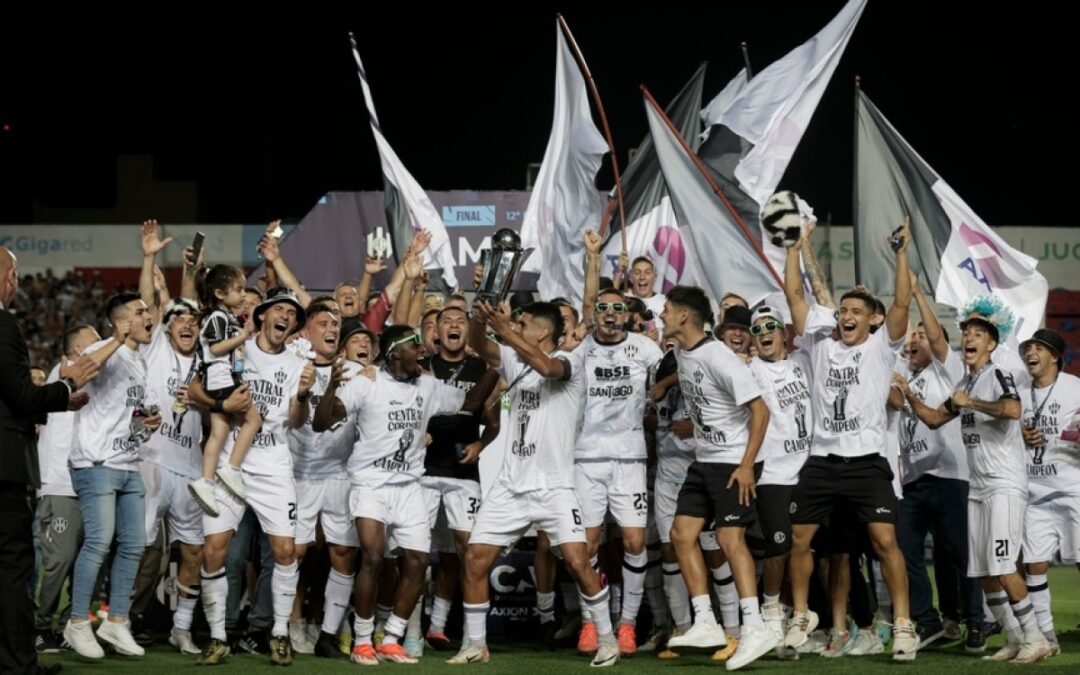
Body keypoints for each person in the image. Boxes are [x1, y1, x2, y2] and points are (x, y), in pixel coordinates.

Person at [312, 324, 498, 665]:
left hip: (409, 484)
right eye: (416, 346)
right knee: (372, 555)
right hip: (370, 482)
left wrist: (495, 368)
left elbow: (470, 404)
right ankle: (363, 640)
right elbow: (321, 423)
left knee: (418, 561)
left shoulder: (426, 385)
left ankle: (393, 637)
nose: (424, 351)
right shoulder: (366, 383)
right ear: (396, 352)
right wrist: (330, 391)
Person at [779, 219, 919, 661]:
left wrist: (899, 253)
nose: (846, 316)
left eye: (856, 311)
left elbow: (900, 300)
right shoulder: (820, 345)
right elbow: (795, 297)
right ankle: (801, 617)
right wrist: (794, 248)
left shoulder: (881, 348)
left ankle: (902, 625)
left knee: (883, 543)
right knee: (799, 540)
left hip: (866, 462)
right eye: (843, 311)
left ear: (872, 319)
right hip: (821, 460)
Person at [452, 300, 619, 667]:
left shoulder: (572, 363)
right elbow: (481, 345)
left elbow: (545, 366)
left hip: (555, 487)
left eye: (523, 323)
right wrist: (481, 320)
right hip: (511, 485)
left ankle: (607, 639)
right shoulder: (514, 358)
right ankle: (476, 645)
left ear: (542, 332)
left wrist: (505, 330)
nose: (516, 324)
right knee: (476, 560)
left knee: (578, 562)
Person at [898, 296, 1052, 663]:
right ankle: (1014, 638)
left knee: (1001, 566)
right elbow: (935, 419)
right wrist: (907, 394)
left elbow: (1012, 409)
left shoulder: (995, 374)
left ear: (992, 345)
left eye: (978, 333)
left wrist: (973, 404)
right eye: (966, 331)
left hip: (1003, 483)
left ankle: (1036, 638)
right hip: (978, 488)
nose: (969, 337)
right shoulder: (965, 383)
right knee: (983, 572)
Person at [659, 286, 774, 671]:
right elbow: (691, 373)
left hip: (733, 462)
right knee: (680, 535)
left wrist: (746, 465)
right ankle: (705, 621)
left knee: (728, 538)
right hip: (705, 459)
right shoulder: (683, 349)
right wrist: (665, 384)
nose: (661, 315)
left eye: (667, 310)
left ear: (685, 317)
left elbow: (760, 412)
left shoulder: (722, 360)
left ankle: (754, 627)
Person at [0, 245, 95, 675]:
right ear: (6, 276)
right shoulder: (3, 325)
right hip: (3, 471)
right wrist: (65, 387)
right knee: (13, 569)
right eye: (14, 274)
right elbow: (19, 398)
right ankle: (19, 664)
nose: (16, 283)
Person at [63, 292, 163, 660]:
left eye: (147, 310)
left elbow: (124, 415)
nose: (148, 316)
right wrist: (116, 340)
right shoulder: (110, 347)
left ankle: (116, 621)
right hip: (96, 462)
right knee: (99, 542)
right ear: (121, 320)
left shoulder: (138, 360)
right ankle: (76, 623)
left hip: (127, 462)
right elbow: (79, 371)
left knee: (135, 543)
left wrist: (145, 424)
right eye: (140, 312)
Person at [421, 306, 502, 652]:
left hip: (463, 472)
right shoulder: (422, 367)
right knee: (416, 552)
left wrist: (480, 443)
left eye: (460, 322)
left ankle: (459, 631)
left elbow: (493, 420)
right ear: (435, 331)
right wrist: (416, 432)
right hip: (422, 471)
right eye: (446, 322)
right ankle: (409, 635)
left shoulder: (481, 368)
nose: (453, 326)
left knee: (465, 551)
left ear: (469, 331)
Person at [1019, 329, 1078, 658]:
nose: (1031, 351)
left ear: (1054, 356)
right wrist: (1021, 435)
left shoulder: (1074, 387)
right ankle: (1046, 635)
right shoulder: (1019, 393)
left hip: (1073, 490)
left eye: (1038, 347)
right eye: (1029, 347)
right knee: (1034, 565)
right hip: (1035, 492)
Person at [189, 264, 263, 517]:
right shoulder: (217, 317)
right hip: (221, 379)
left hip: (218, 380)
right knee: (253, 420)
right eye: (239, 289)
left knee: (218, 433)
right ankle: (232, 467)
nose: (243, 295)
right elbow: (216, 349)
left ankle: (206, 482)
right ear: (220, 293)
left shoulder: (225, 316)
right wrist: (243, 336)